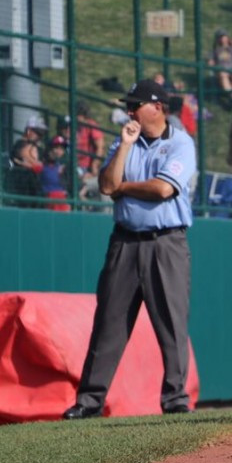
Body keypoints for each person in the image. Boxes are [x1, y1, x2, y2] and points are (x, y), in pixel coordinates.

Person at [62, 79, 197, 419]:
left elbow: (163, 189)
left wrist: (125, 187)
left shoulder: (181, 143)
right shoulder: (125, 141)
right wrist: (124, 147)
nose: (129, 111)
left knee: (171, 323)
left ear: (158, 108)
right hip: (124, 241)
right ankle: (89, 401)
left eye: (136, 105)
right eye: (129, 106)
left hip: (166, 242)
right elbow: (107, 185)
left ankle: (175, 399)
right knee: (108, 322)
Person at [39, 135, 71, 212]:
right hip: (49, 199)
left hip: (64, 199)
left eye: (61, 149)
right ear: (49, 150)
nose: (58, 152)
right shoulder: (43, 164)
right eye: (56, 148)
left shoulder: (65, 165)